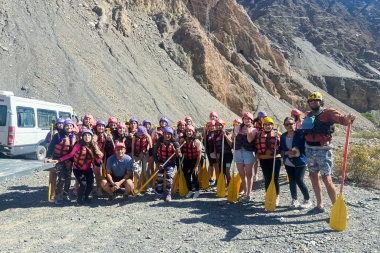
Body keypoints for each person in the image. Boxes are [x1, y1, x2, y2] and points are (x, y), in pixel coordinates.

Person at [303, 92, 356, 213]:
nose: (313, 103)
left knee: (327, 179)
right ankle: (319, 204)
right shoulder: (308, 115)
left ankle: (336, 209)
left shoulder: (328, 112)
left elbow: (342, 119)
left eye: (316, 100)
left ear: (321, 102)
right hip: (310, 149)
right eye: (311, 101)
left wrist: (348, 119)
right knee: (313, 176)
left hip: (323, 150)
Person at [57, 129, 103, 205]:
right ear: (82, 137)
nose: (87, 137)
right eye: (85, 135)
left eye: (89, 135)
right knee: (83, 184)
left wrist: (100, 156)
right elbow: (70, 155)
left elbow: (98, 160)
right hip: (78, 169)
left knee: (90, 184)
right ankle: (79, 199)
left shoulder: (94, 146)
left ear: (91, 137)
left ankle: (86, 197)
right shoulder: (78, 146)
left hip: (88, 168)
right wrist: (60, 160)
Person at [280, 117, 312, 209]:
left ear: (295, 124)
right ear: (284, 126)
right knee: (292, 180)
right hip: (288, 162)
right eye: (287, 124)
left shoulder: (301, 134)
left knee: (299, 180)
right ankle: (294, 200)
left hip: (300, 161)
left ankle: (307, 200)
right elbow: (281, 150)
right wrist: (287, 153)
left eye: (291, 123)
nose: (289, 126)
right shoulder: (283, 136)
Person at [45, 119, 79, 205]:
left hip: (68, 160)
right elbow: (51, 147)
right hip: (58, 159)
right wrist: (48, 157)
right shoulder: (58, 136)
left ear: (73, 127)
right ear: (64, 127)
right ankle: (58, 195)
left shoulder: (75, 137)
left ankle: (65, 194)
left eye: (71, 126)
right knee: (61, 178)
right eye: (67, 126)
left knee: (68, 178)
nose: (69, 127)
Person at [255, 116, 282, 206]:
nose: (268, 126)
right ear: (263, 126)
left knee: (275, 178)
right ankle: (268, 195)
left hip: (275, 159)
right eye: (266, 125)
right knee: (267, 178)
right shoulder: (258, 134)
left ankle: (277, 196)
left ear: (272, 125)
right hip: (264, 159)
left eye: (270, 125)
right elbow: (253, 144)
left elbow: (285, 143)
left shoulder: (278, 133)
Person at [231, 112, 257, 203]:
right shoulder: (238, 128)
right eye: (245, 119)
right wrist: (234, 134)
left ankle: (249, 193)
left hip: (248, 153)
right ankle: (245, 191)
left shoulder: (254, 130)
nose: (247, 120)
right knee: (242, 174)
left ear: (251, 120)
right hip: (238, 152)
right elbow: (232, 138)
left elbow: (250, 140)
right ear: (243, 120)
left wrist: (249, 130)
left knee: (249, 174)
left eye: (249, 119)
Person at [152, 126, 181, 202]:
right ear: (163, 134)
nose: (167, 136)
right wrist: (158, 163)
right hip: (161, 162)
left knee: (168, 176)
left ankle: (168, 193)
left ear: (171, 135)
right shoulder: (159, 142)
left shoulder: (175, 143)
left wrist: (177, 153)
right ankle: (159, 192)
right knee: (160, 176)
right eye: (165, 134)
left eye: (169, 134)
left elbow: (180, 156)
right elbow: (154, 155)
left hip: (171, 163)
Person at [180, 125, 202, 198]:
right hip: (187, 160)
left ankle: (197, 191)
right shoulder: (184, 141)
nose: (188, 132)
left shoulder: (196, 141)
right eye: (187, 131)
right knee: (186, 175)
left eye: (190, 131)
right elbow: (179, 149)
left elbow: (199, 155)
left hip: (196, 160)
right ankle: (190, 190)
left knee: (194, 175)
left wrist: (196, 166)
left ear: (193, 132)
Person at [131, 126, 153, 192]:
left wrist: (148, 137)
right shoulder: (135, 137)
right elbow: (133, 147)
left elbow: (151, 146)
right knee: (136, 171)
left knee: (146, 171)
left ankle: (148, 187)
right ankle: (137, 187)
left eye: (142, 135)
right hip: (137, 155)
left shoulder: (147, 137)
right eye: (139, 134)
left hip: (145, 154)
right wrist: (133, 159)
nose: (140, 136)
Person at [253, 111, 267, 182]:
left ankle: (264, 175)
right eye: (263, 117)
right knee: (256, 160)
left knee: (263, 160)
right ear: (259, 117)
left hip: (264, 143)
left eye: (265, 117)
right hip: (256, 144)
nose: (264, 118)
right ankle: (255, 174)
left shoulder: (266, 123)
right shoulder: (255, 124)